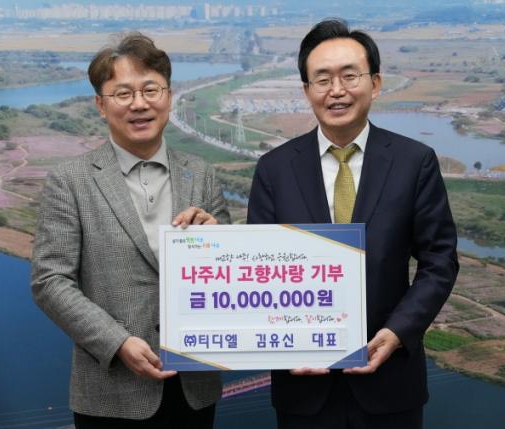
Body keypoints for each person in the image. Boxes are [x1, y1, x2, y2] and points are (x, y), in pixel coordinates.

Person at [247, 19, 459, 429]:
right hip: (303, 389)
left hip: (390, 382)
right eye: (322, 79)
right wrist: (286, 349)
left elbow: (440, 261)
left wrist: (398, 332)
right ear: (306, 91)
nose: (337, 90)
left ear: (375, 83)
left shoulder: (414, 162)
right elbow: (260, 274)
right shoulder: (274, 169)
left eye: (349, 76)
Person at [31, 32, 229, 428]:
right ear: (101, 105)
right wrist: (117, 342)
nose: (139, 104)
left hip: (194, 389)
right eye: (123, 93)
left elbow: (228, 272)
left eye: (151, 90)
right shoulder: (70, 181)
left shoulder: (202, 174)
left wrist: (219, 239)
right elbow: (50, 280)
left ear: (169, 97)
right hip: (111, 394)